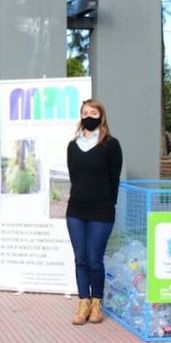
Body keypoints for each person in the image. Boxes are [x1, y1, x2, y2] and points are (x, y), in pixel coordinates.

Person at [66, 98, 123, 325]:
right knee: (80, 259)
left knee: (94, 260)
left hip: (101, 211)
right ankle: (84, 303)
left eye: (93, 113)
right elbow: (74, 176)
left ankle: (97, 304)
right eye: (85, 113)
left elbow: (114, 178)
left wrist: (109, 204)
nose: (89, 117)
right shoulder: (73, 146)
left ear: (101, 116)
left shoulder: (111, 145)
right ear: (80, 116)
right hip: (76, 210)